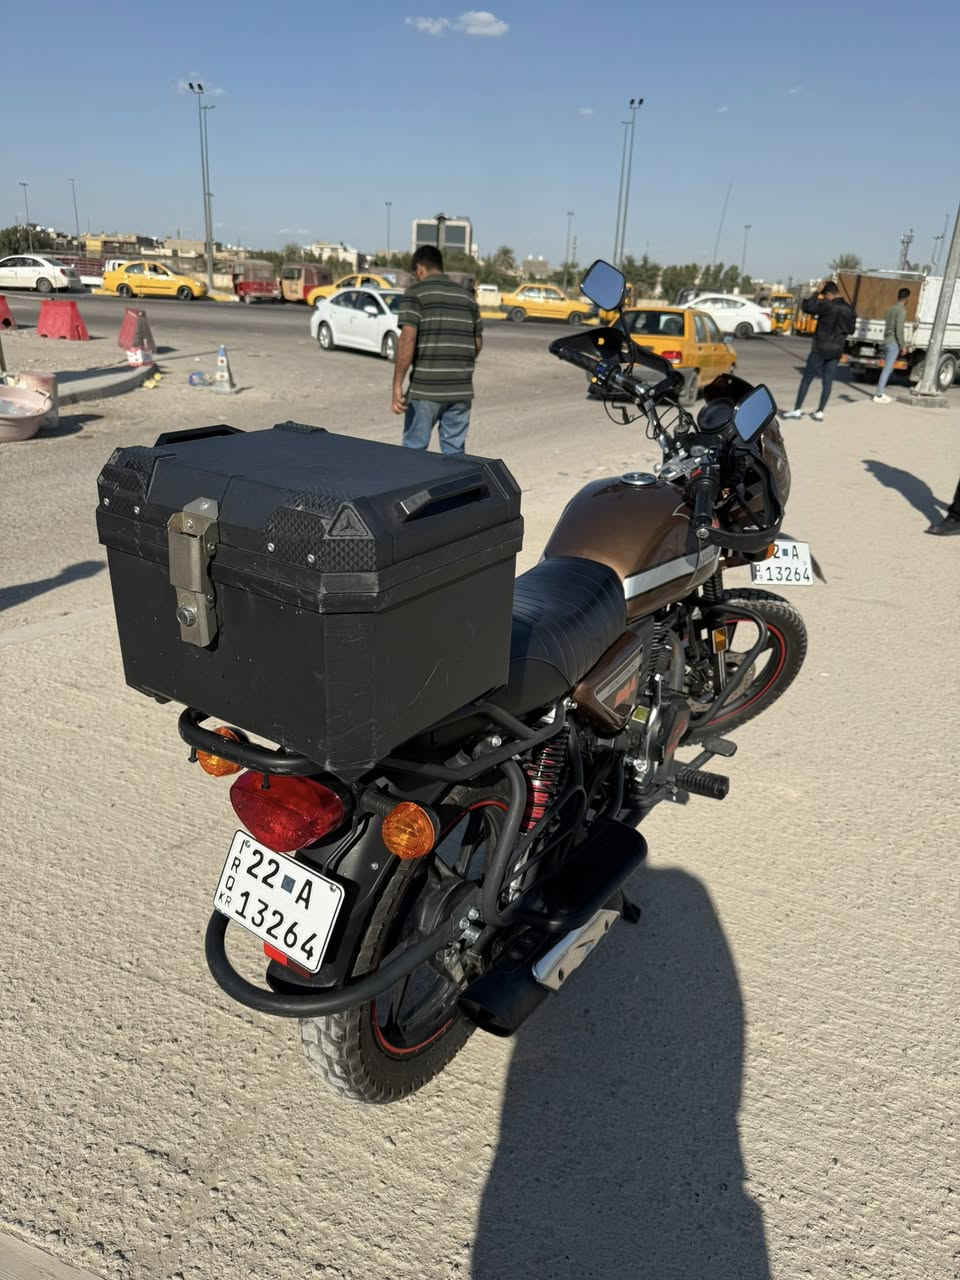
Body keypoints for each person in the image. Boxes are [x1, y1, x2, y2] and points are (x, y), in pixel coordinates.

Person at [391, 245, 483, 454]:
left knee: (413, 451)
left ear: (420, 268)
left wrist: (397, 385)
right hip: (460, 391)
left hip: (426, 389)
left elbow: (407, 339)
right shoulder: (468, 298)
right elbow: (477, 344)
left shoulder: (415, 293)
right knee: (455, 453)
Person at [781, 281, 856, 421]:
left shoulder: (827, 305)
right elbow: (851, 330)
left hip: (820, 348)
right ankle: (820, 411)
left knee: (807, 379)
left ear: (828, 294)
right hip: (836, 350)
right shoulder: (849, 309)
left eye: (824, 295)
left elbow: (807, 307)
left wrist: (816, 292)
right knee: (828, 381)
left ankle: (797, 410)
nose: (824, 297)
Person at [873, 287, 910, 403]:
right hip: (894, 342)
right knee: (887, 369)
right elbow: (899, 329)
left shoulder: (891, 309)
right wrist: (903, 345)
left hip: (887, 340)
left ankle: (880, 393)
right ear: (907, 298)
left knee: (887, 369)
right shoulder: (902, 311)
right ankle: (878, 395)